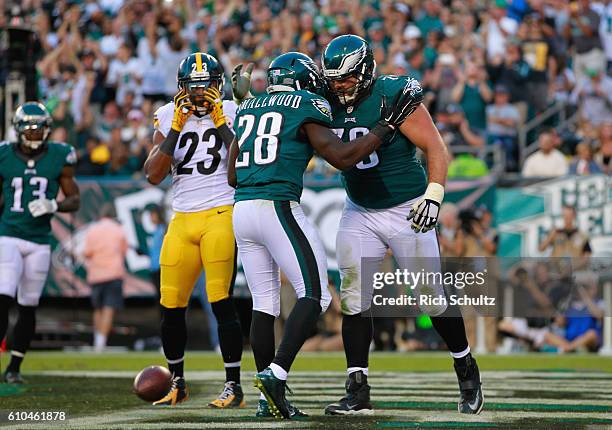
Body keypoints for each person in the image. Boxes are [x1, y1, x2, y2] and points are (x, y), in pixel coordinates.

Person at [228, 52, 415, 419]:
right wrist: (383, 128)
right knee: (316, 296)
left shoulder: (248, 108)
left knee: (264, 303)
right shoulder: (304, 104)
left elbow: (233, 175)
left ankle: (268, 401)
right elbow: (343, 158)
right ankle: (276, 376)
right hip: (276, 206)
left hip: (241, 210)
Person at [319, 34, 482, 416]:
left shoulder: (391, 94)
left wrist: (434, 194)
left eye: (345, 78)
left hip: (407, 207)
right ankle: (357, 388)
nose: (338, 86)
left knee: (431, 298)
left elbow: (436, 147)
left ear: (364, 70)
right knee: (354, 298)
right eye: (334, 79)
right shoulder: (323, 100)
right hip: (359, 208)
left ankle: (465, 367)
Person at [143, 52, 244, 408]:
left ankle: (233, 385)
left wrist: (219, 123)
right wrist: (175, 128)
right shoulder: (169, 115)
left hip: (220, 212)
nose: (200, 95)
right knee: (170, 305)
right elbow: (153, 173)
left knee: (220, 301)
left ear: (218, 86)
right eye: (193, 88)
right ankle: (177, 382)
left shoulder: (233, 112)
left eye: (206, 87)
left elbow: (244, 159)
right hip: (182, 217)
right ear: (181, 88)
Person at [0, 102, 80, 383]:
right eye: (29, 129)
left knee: (29, 304)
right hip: (9, 234)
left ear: (47, 130)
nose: (33, 135)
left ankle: (14, 368)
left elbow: (74, 199)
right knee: (3, 296)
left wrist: (53, 205)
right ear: (18, 129)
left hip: (39, 241)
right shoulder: (4, 154)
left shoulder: (60, 155)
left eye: (38, 129)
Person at [83, 207, 128, 352]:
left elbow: (87, 252)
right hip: (113, 273)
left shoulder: (93, 229)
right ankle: (101, 342)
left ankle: (97, 340)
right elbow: (123, 251)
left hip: (96, 275)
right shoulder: (118, 230)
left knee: (97, 309)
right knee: (108, 309)